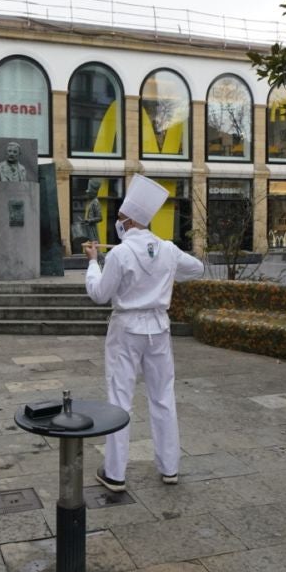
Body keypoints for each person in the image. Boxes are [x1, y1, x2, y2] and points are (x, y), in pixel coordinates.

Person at [83, 175, 204, 492]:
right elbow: (198, 268)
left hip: (126, 328)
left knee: (120, 398)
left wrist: (94, 263)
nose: (118, 222)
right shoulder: (167, 249)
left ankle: (115, 473)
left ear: (130, 220)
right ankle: (169, 467)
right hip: (158, 327)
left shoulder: (120, 254)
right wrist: (167, 264)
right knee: (163, 397)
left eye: (121, 217)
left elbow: (98, 293)